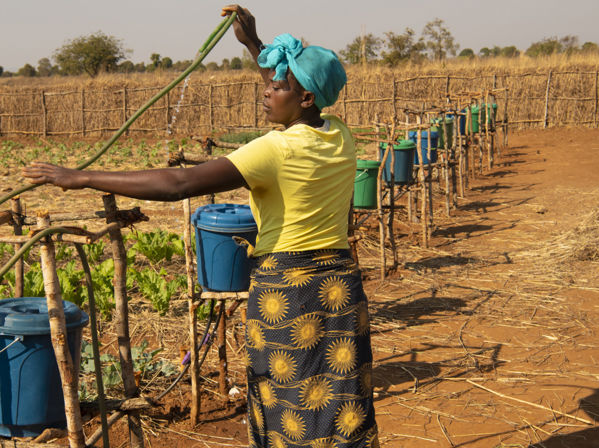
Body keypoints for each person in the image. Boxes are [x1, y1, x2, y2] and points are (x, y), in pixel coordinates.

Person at [22, 5, 379, 447]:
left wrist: (81, 177)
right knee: (340, 404)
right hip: (340, 289)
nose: (266, 92)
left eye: (278, 86)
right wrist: (253, 42)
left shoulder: (275, 150)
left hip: (291, 293)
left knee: (290, 409)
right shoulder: (339, 135)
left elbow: (179, 182)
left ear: (305, 98)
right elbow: (291, 82)